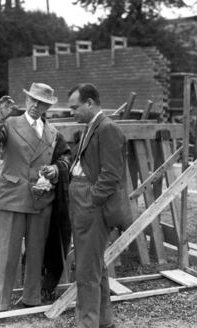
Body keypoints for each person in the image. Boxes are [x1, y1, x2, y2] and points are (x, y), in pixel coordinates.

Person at [0, 82, 71, 311]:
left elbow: (65, 159)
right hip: (13, 196)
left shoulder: (53, 132)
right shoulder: (11, 123)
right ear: (26, 101)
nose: (35, 106)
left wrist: (55, 170)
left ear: (47, 107)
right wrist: (0, 119)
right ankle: (1, 301)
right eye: (32, 100)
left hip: (41, 198)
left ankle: (32, 298)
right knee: (7, 252)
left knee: (36, 253)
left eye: (41, 103)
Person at [67, 83, 125, 328]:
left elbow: (111, 174)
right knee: (94, 266)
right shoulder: (91, 127)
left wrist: (91, 200)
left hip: (90, 205)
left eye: (75, 107)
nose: (72, 112)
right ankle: (102, 321)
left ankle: (86, 324)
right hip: (83, 201)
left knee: (86, 270)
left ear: (90, 103)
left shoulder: (107, 128)